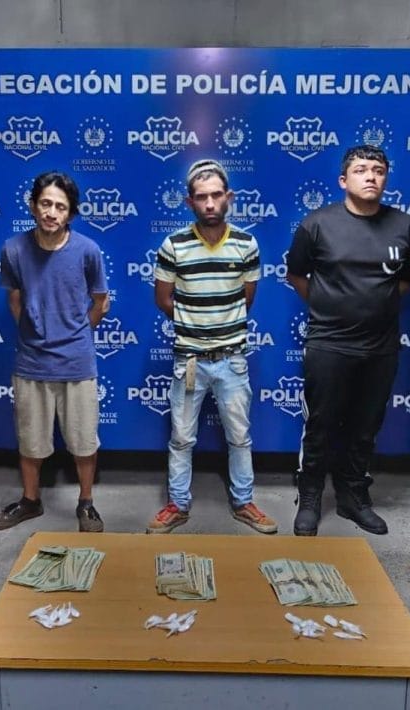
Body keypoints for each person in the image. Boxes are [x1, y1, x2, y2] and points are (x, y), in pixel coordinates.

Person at [286, 144, 410, 537]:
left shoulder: (406, 227)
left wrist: (374, 306)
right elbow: (297, 275)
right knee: (320, 425)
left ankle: (353, 496)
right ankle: (310, 496)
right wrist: (330, 306)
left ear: (386, 179)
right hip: (329, 342)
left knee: (366, 427)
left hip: (380, 346)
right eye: (361, 170)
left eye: (378, 170)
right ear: (343, 180)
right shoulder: (316, 224)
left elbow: (406, 281)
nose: (371, 176)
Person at [146, 159, 277, 535]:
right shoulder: (173, 245)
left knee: (240, 437)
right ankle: (178, 504)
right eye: (201, 197)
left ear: (229, 197)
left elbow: (246, 298)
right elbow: (163, 299)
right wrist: (195, 324)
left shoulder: (246, 244)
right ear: (189, 202)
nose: (209, 203)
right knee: (181, 438)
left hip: (232, 360)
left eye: (216, 195)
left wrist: (218, 325)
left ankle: (244, 502)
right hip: (188, 360)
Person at [0, 171, 109, 532]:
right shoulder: (13, 249)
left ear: (70, 213)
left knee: (84, 441)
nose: (51, 212)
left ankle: (86, 503)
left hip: (77, 363)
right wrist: (33, 333)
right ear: (32, 205)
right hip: (31, 363)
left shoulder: (88, 250)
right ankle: (30, 501)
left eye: (60, 206)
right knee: (30, 441)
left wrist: (76, 335)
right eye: (45, 204)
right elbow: (14, 300)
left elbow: (100, 303)